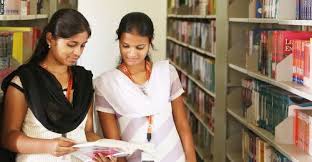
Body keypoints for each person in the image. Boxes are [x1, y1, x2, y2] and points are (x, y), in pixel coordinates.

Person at [0, 9, 113, 162]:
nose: (78, 52)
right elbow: (9, 137)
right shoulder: (25, 81)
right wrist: (47, 146)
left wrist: (103, 152)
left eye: (82, 46)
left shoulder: (83, 81)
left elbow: (87, 132)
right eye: (71, 44)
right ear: (50, 39)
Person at [94, 12, 197, 162]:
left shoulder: (166, 73)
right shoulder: (107, 85)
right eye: (126, 46)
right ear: (119, 42)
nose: (132, 53)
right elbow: (115, 145)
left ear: (150, 42)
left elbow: (182, 125)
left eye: (140, 47)